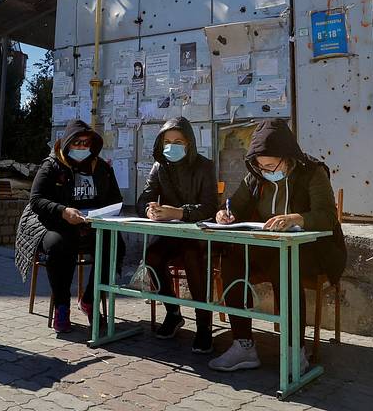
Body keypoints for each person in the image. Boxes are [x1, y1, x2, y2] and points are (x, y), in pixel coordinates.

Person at [208, 119, 346, 372]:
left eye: (271, 165)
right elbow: (234, 206)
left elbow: (327, 216)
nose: (266, 170)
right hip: (269, 245)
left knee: (284, 263)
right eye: (261, 166)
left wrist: (297, 218)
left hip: (314, 248)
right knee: (231, 257)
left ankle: (295, 350)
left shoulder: (312, 173)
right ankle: (243, 345)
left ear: (288, 157)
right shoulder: (255, 176)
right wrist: (224, 215)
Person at [29, 119, 125, 334]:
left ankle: (90, 300)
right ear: (67, 143)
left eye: (86, 143)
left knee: (114, 244)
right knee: (59, 247)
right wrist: (63, 211)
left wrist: (104, 214)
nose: (82, 147)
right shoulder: (52, 165)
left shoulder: (101, 167)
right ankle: (61, 306)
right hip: (58, 225)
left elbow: (115, 198)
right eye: (77, 143)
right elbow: (36, 200)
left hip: (92, 226)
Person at [135, 117, 218, 353]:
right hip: (170, 233)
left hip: (199, 233)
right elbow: (143, 198)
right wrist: (150, 210)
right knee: (152, 256)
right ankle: (173, 312)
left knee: (192, 256)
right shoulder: (159, 167)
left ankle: (204, 324)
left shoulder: (204, 166)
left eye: (178, 141)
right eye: (167, 141)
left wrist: (180, 212)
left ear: (189, 143)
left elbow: (211, 206)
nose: (172, 146)